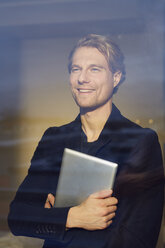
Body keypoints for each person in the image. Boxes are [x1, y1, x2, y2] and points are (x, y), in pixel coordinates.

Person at [8, 34, 164, 248]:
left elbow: (138, 237)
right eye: (75, 69)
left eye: (95, 69)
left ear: (116, 77)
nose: (82, 78)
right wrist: (74, 217)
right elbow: (18, 217)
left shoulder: (141, 142)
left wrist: (53, 216)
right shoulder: (53, 138)